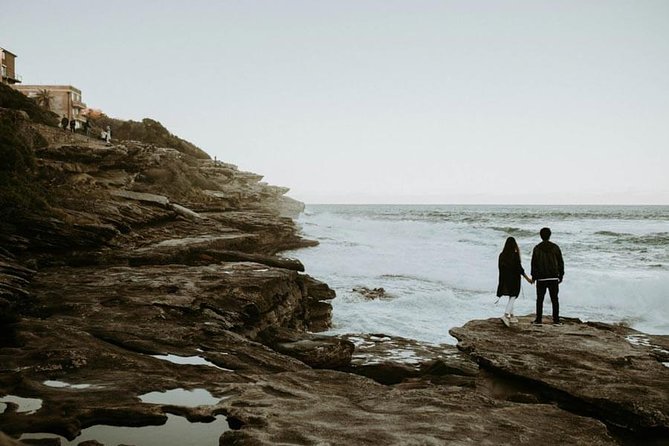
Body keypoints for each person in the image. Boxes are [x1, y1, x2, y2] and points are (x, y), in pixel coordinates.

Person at [531, 227, 564, 325]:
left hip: (541, 278)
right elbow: (561, 262)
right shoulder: (555, 247)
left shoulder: (537, 248)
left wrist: (534, 276)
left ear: (540, 236)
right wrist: (561, 275)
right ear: (550, 235)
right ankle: (556, 320)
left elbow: (534, 264)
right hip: (553, 277)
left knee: (540, 299)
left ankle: (538, 320)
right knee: (555, 299)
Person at [497, 236, 532, 326]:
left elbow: (500, 268)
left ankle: (512, 316)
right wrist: (528, 279)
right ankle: (505, 315)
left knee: (511, 296)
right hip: (514, 279)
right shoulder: (515, 255)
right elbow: (519, 269)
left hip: (504, 279)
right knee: (513, 296)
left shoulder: (502, 255)